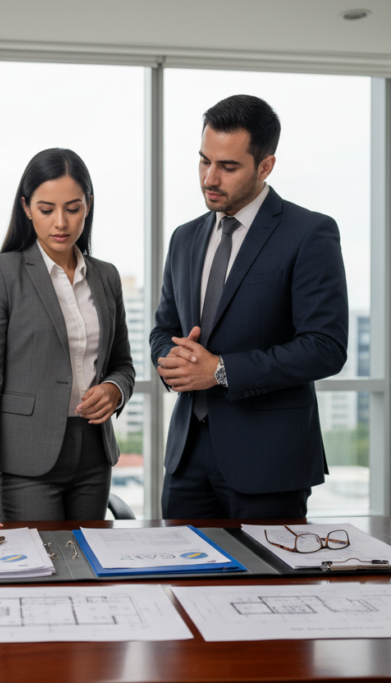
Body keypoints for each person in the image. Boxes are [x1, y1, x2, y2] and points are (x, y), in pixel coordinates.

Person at [150, 94, 348, 520]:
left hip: (269, 463)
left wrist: (220, 369)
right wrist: (173, 360)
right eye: (204, 161)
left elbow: (325, 346)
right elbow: (162, 329)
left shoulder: (309, 232)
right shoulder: (184, 239)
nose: (209, 178)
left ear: (265, 166)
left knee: (269, 586)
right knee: (180, 583)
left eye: (228, 166)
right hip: (186, 459)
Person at [0, 148, 136, 533]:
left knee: (90, 572)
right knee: (43, 572)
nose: (60, 222)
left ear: (89, 205)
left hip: (94, 454)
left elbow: (123, 363)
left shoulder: (106, 277)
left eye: (73, 208)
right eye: (47, 209)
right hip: (27, 459)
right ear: (27, 208)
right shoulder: (0, 273)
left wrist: (116, 389)